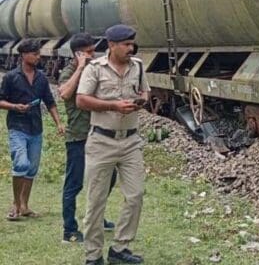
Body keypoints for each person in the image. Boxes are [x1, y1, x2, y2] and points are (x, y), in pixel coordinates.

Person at [77, 24, 149, 265]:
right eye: (126, 44)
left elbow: (145, 93)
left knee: (135, 195)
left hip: (130, 141)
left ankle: (120, 248)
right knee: (96, 201)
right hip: (101, 142)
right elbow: (81, 100)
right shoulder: (95, 69)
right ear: (111, 45)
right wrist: (113, 106)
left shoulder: (138, 67)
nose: (131, 48)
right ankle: (93, 255)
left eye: (132, 44)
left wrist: (139, 101)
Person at [59, 32, 116, 243]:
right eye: (89, 52)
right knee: (74, 183)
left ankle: (97, 218)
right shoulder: (69, 71)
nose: (94, 54)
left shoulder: (96, 69)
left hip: (98, 132)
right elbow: (64, 94)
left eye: (94, 50)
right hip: (78, 136)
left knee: (109, 177)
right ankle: (69, 230)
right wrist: (81, 67)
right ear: (78, 53)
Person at [0, 38, 64, 221]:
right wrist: (14, 107)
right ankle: (15, 204)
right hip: (17, 127)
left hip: (36, 128)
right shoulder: (11, 77)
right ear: (23, 55)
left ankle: (24, 206)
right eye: (35, 54)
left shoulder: (41, 78)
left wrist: (59, 123)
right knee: (21, 163)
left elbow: (50, 103)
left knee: (32, 168)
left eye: (38, 53)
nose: (38, 57)